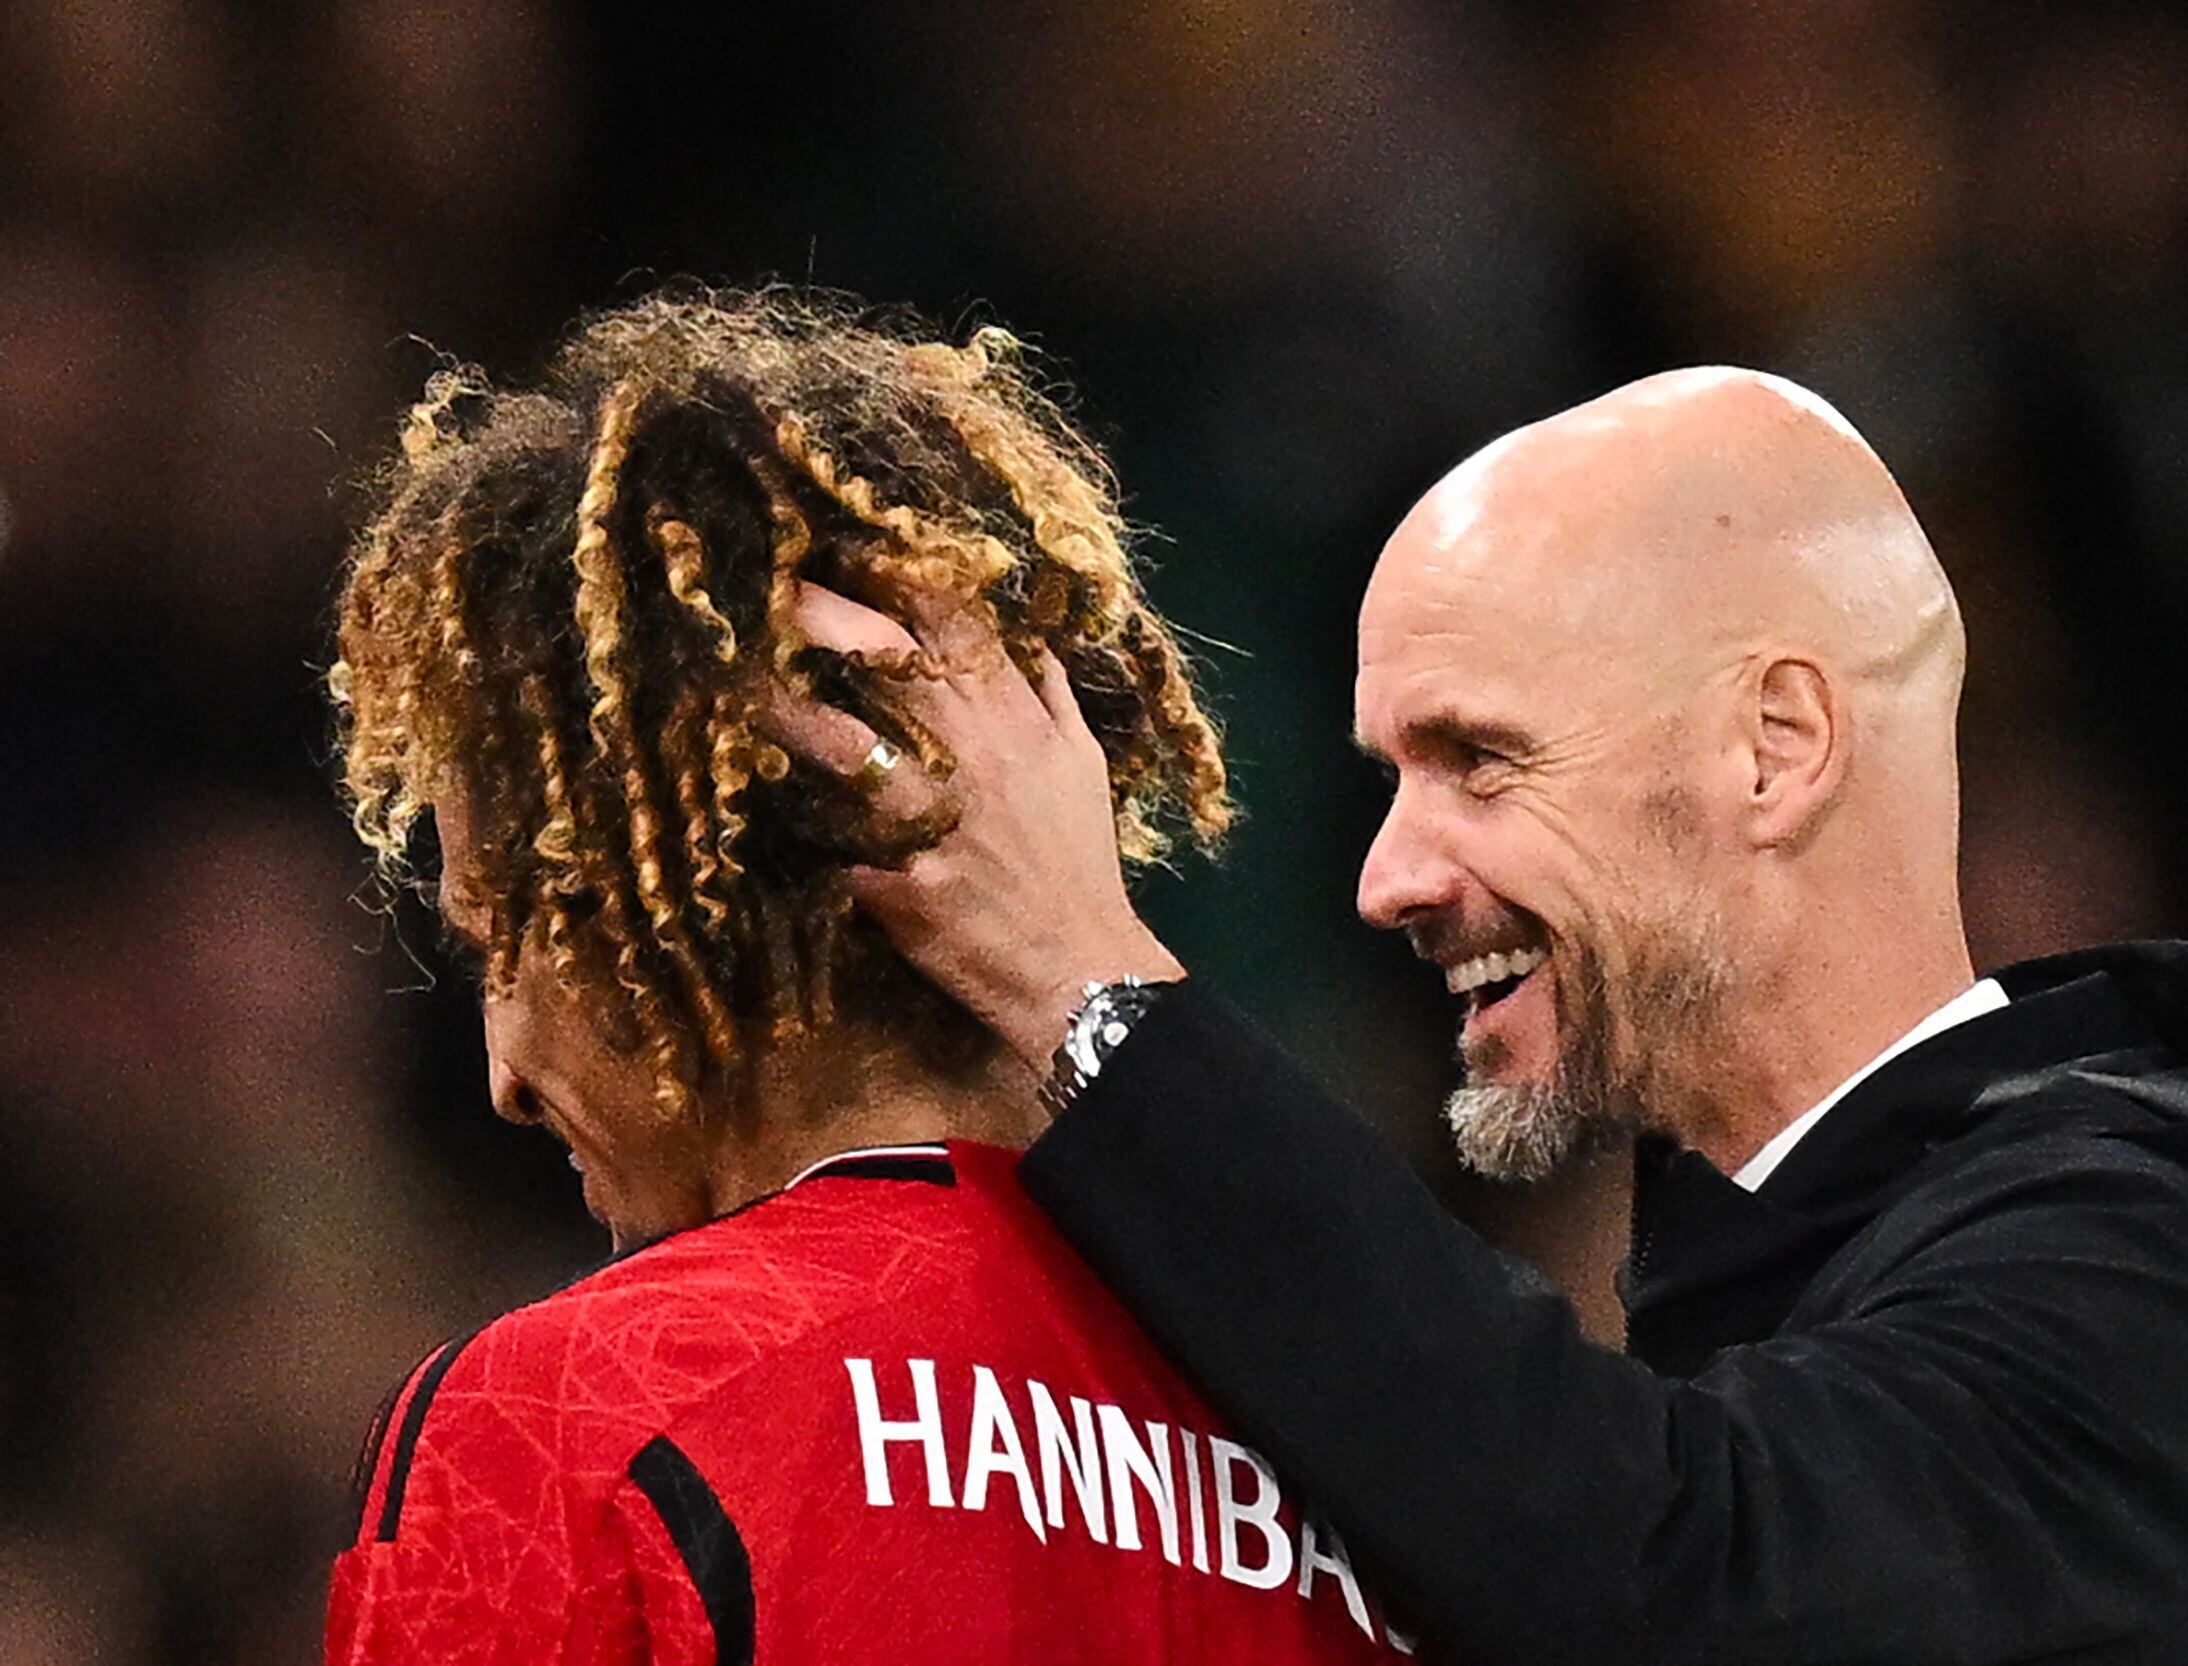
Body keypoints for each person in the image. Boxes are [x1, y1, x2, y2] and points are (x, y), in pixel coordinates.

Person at [777, 367, 2188, 1664]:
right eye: (1391, 778)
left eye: (1478, 760)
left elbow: (1664, 1573)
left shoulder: (2159, 1279)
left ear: (1774, 749)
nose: (1390, 877)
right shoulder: (1823, 1273)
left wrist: (1084, 984)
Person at [321, 290, 1413, 1666]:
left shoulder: (570, 1421)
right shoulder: (1391, 1458)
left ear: (663, 921)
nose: (505, 1075)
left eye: (503, 947)